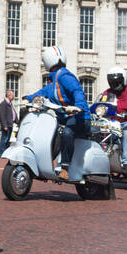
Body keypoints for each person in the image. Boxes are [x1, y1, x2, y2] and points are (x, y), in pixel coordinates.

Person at [23, 46, 90, 180]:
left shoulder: (64, 75)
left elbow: (77, 90)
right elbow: (44, 92)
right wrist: (29, 98)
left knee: (67, 132)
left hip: (79, 117)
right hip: (65, 118)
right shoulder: (53, 80)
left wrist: (79, 106)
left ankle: (65, 167)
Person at [97, 65, 127, 169]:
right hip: (110, 123)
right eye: (112, 82)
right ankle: (98, 158)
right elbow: (102, 104)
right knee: (95, 131)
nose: (115, 84)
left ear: (124, 80)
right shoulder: (107, 93)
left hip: (126, 122)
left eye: (117, 81)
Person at [0, 89, 18, 156]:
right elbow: (2, 116)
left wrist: (18, 122)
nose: (13, 96)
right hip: (6, 125)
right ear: (9, 95)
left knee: (8, 139)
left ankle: (6, 153)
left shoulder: (9, 104)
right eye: (12, 95)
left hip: (10, 124)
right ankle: (2, 153)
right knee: (4, 139)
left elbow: (13, 114)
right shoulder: (3, 104)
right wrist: (5, 126)